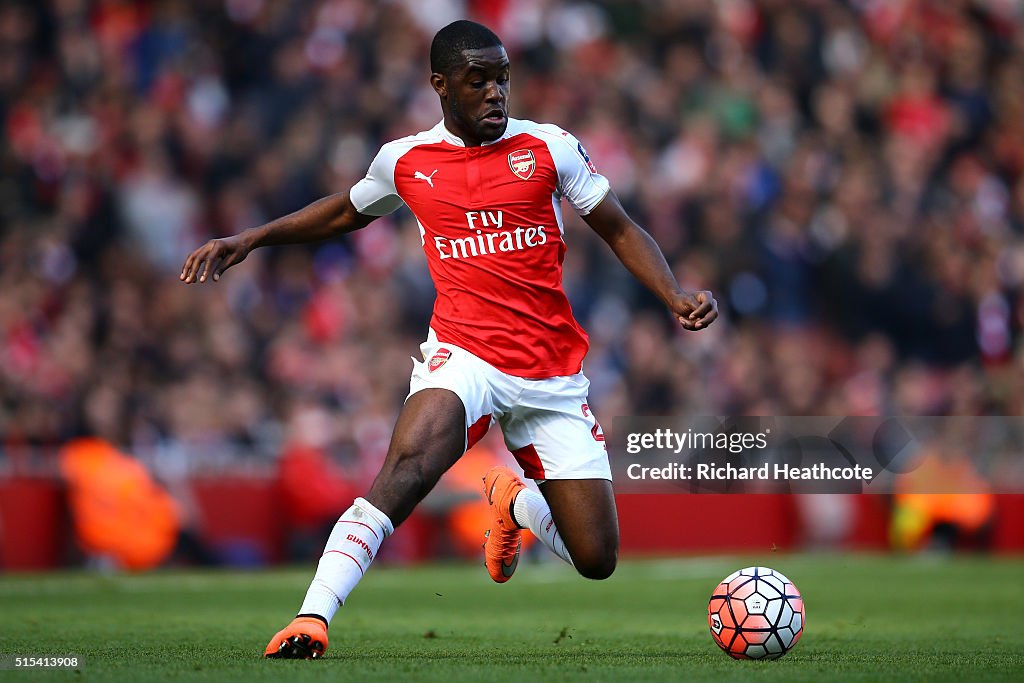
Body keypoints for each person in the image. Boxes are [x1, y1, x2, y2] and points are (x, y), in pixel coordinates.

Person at [180, 20, 718, 660]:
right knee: (405, 469)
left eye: (503, 78)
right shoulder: (405, 161)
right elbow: (346, 210)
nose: (496, 93)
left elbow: (621, 228)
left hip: (550, 374)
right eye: (478, 80)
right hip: (464, 355)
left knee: (596, 557)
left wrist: (673, 294)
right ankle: (312, 616)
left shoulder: (550, 149)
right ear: (441, 86)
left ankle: (514, 504)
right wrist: (253, 238)